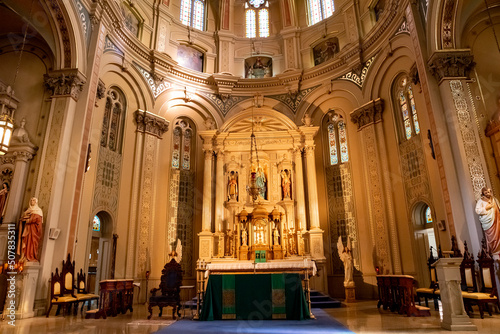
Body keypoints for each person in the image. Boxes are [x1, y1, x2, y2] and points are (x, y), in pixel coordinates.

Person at [17, 198, 43, 262]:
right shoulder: (28, 210)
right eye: (31, 200)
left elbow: (38, 220)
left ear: (36, 202)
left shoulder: (38, 210)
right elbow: (22, 218)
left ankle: (31, 256)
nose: (32, 201)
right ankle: (24, 256)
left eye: (33, 200)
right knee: (25, 241)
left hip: (33, 231)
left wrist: (29, 219)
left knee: (32, 243)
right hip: (27, 229)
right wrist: (24, 217)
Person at [475, 187, 500, 255]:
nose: (488, 194)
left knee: (498, 235)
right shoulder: (481, 201)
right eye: (486, 193)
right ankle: (493, 251)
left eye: (489, 192)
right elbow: (477, 210)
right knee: (491, 236)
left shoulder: (494, 199)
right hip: (489, 222)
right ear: (483, 194)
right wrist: (486, 208)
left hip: (497, 221)